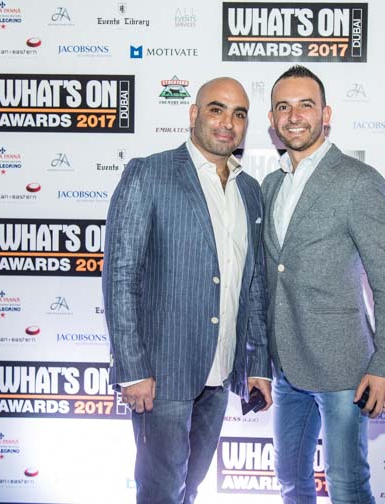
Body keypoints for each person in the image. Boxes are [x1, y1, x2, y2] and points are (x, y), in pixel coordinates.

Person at [102, 76, 272, 504]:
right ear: (194, 113)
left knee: (190, 488)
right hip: (161, 377)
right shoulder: (150, 173)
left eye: (239, 114)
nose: (227, 123)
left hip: (221, 373)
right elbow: (121, 275)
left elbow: (253, 285)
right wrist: (133, 368)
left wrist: (258, 364)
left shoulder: (250, 191)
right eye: (217, 109)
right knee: (161, 492)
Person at [262, 65, 385, 503]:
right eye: (283, 107)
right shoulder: (270, 184)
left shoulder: (357, 181)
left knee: (347, 486)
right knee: (290, 478)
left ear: (326, 115)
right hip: (286, 366)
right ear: (272, 119)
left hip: (344, 367)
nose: (294, 116)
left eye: (305, 105)